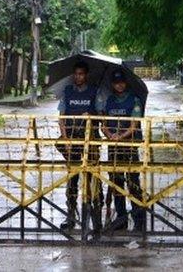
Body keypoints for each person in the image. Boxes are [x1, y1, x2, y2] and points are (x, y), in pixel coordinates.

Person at [56, 60, 102, 234]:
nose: (78, 77)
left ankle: (95, 217)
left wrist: (91, 114)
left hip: (91, 142)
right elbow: (61, 117)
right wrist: (66, 140)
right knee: (72, 179)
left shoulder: (94, 92)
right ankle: (71, 216)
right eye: (76, 74)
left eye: (81, 74)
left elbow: (101, 115)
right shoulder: (67, 92)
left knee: (94, 179)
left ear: (86, 75)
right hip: (72, 141)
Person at [100, 69, 146, 234]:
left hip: (130, 146)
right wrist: (109, 134)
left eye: (121, 82)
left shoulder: (134, 100)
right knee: (116, 182)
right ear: (112, 84)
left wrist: (120, 136)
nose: (119, 85)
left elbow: (134, 125)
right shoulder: (109, 101)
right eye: (116, 82)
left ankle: (139, 219)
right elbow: (103, 123)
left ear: (125, 83)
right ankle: (121, 218)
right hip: (114, 147)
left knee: (133, 182)